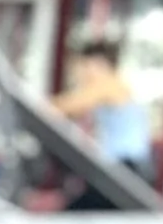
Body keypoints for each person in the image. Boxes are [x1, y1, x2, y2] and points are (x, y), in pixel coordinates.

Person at [53, 32, 154, 180]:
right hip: (123, 166)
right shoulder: (111, 86)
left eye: (86, 66)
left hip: (128, 167)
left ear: (101, 64)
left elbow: (67, 106)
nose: (82, 73)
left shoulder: (109, 85)